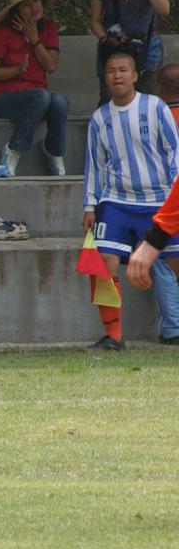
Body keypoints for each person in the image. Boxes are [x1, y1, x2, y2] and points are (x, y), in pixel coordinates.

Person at [82, 50, 179, 351]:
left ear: (136, 75)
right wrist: (89, 205)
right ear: (105, 77)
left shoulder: (156, 108)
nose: (117, 75)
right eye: (111, 70)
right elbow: (94, 165)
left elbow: (174, 151)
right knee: (103, 266)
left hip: (160, 201)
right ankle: (113, 336)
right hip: (116, 203)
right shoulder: (100, 118)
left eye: (123, 69)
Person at [0, 0, 69, 176]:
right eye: (25, 4)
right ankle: (13, 149)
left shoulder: (49, 28)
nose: (33, 7)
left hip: (39, 98)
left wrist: (35, 39)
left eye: (36, 1)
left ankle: (53, 151)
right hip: (5, 99)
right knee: (42, 96)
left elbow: (51, 65)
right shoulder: (3, 32)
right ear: (17, 11)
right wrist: (15, 70)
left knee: (59, 101)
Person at [124, 63, 179, 345]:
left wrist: (153, 240)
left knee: (164, 266)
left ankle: (173, 328)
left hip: (161, 204)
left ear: (159, 91)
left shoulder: (158, 119)